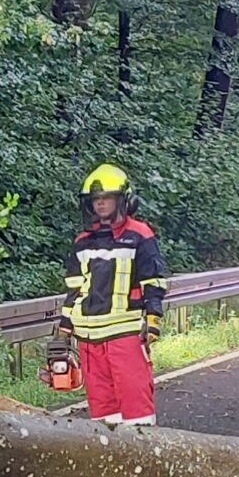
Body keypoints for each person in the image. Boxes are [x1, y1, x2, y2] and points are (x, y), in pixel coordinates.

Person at [56, 162, 166, 428]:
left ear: (124, 200)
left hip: (124, 334)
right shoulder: (83, 241)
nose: (100, 204)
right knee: (102, 410)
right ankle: (106, 460)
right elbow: (75, 287)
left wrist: (153, 320)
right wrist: (64, 328)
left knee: (135, 403)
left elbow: (153, 281)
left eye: (106, 198)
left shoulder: (139, 235)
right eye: (95, 199)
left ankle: (143, 456)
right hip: (88, 337)